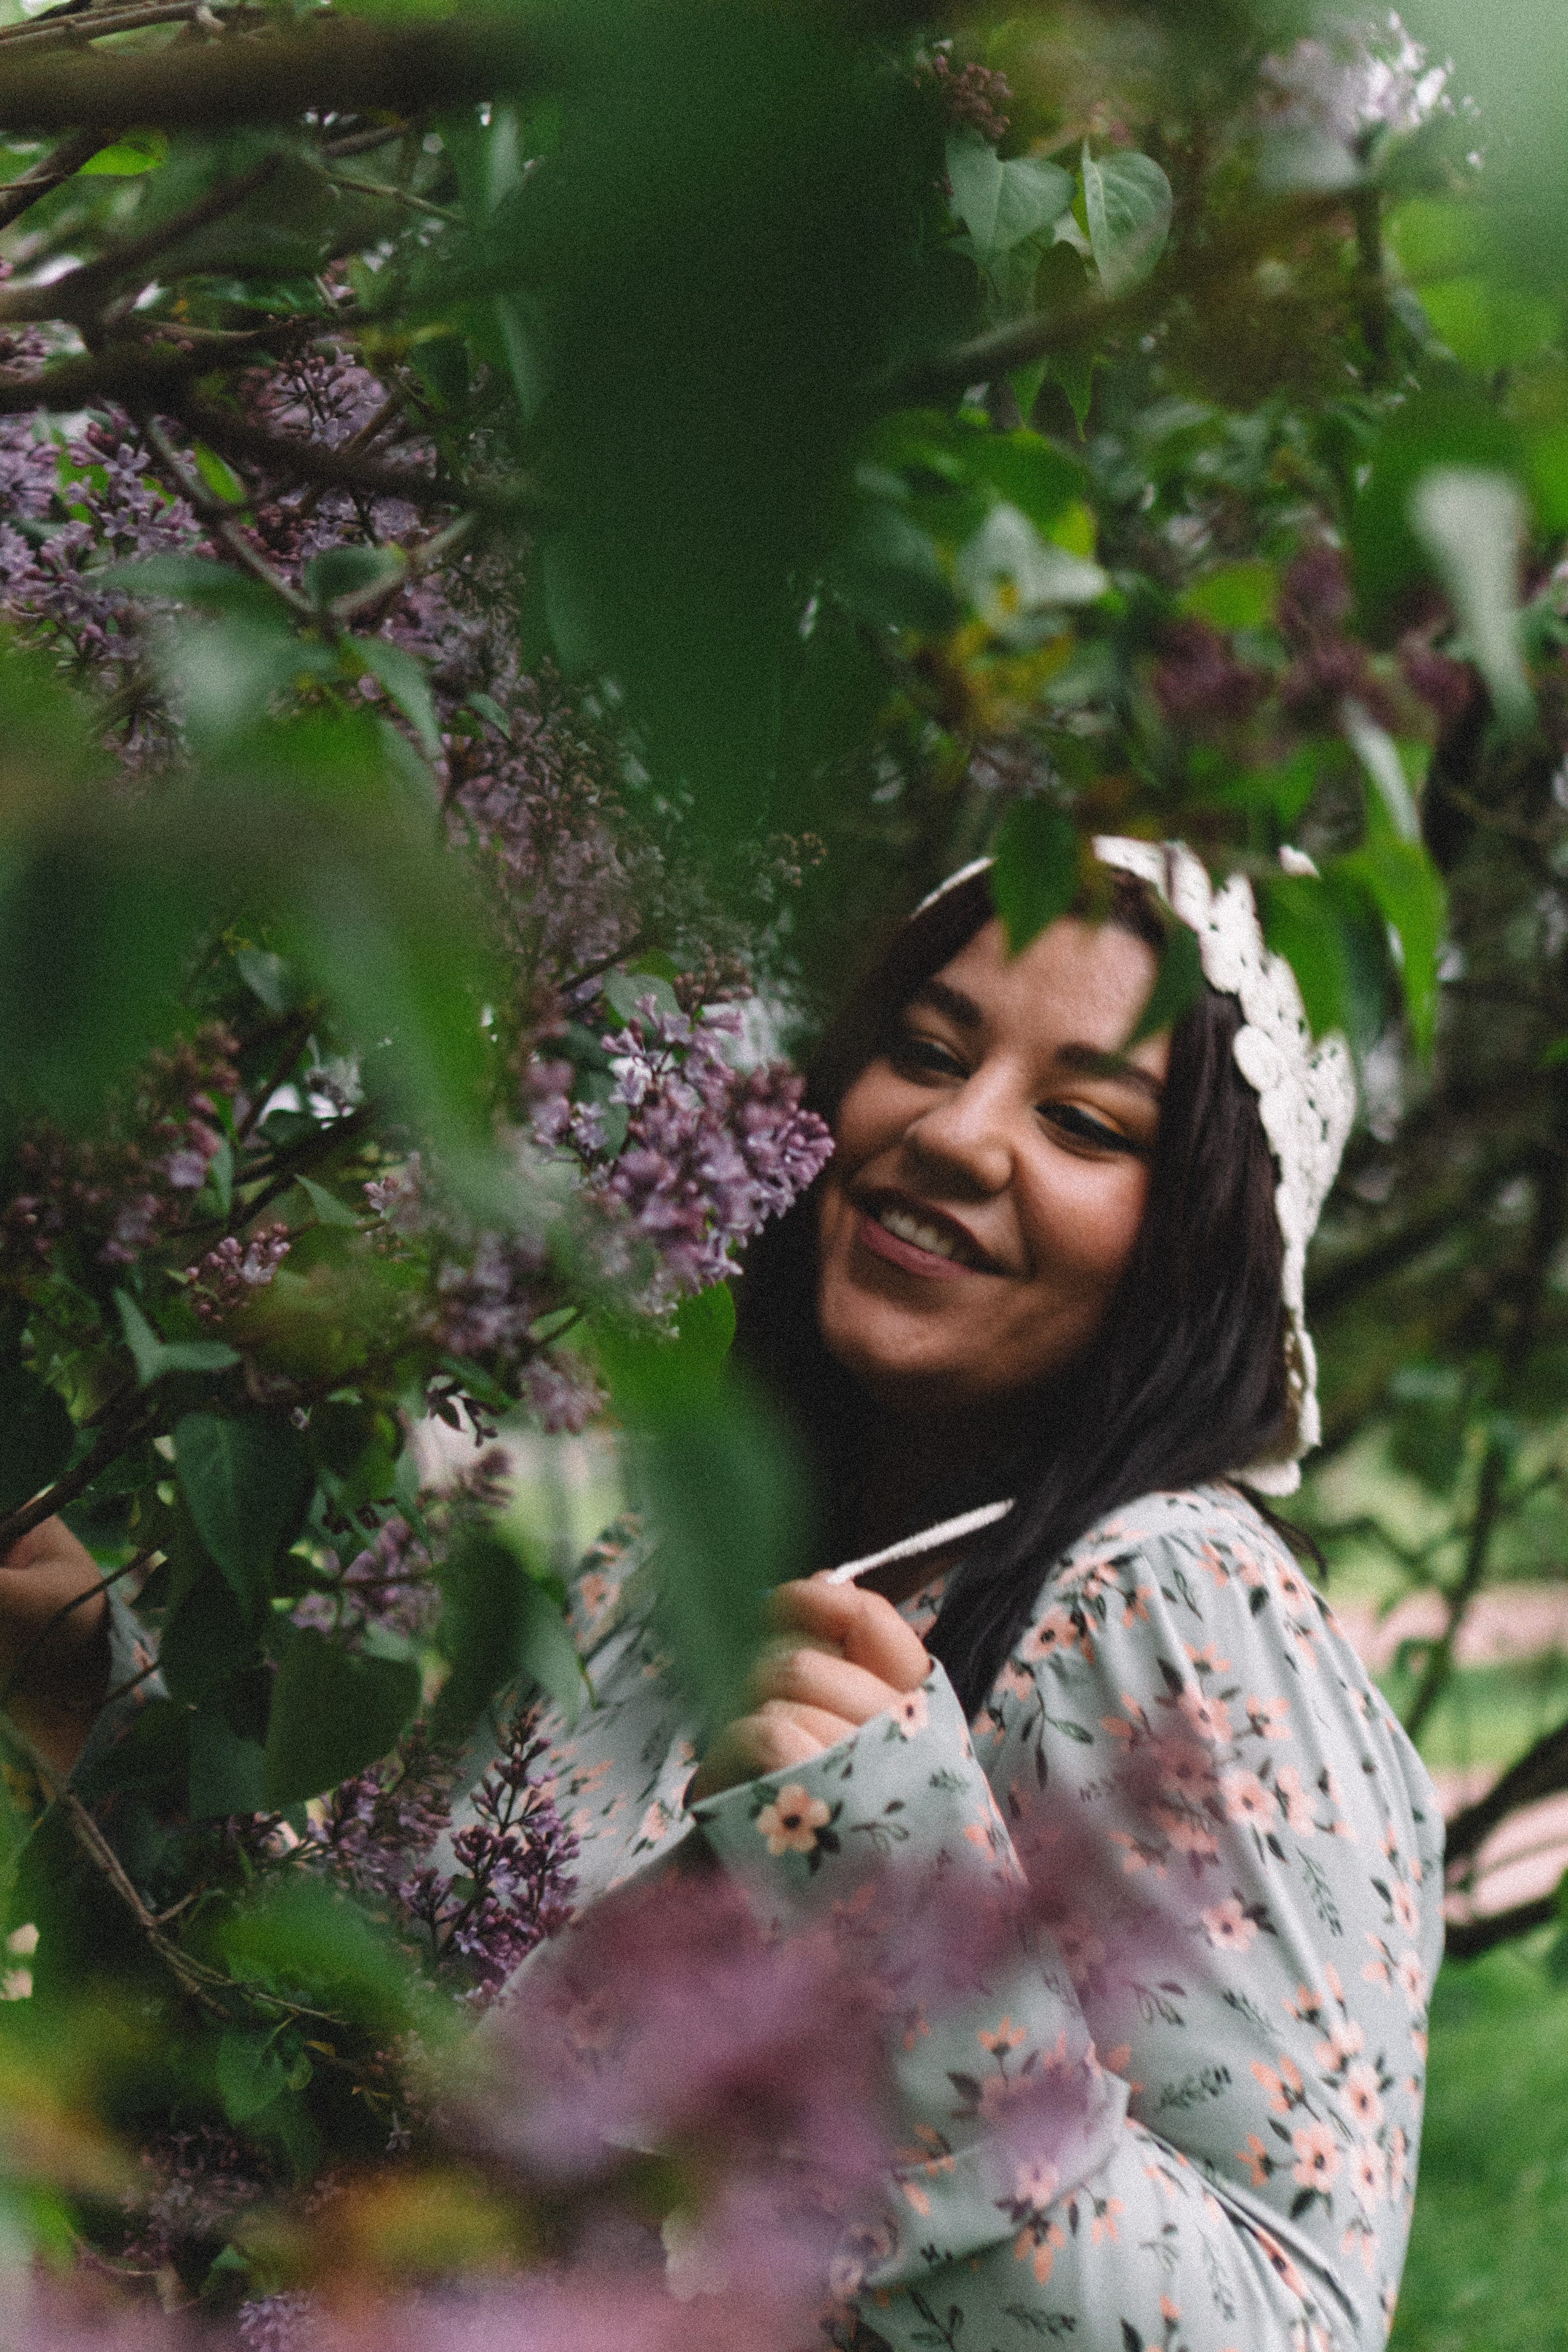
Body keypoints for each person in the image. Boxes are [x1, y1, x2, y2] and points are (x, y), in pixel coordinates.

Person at [3, 841, 1442, 2352]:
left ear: (1207, 1238)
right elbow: (374, 2108)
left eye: (1084, 1121)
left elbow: (1281, 2325)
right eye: (925, 1051)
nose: (954, 1131)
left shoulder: (1165, 1604)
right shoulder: (680, 1552)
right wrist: (106, 1708)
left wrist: (893, 1901)